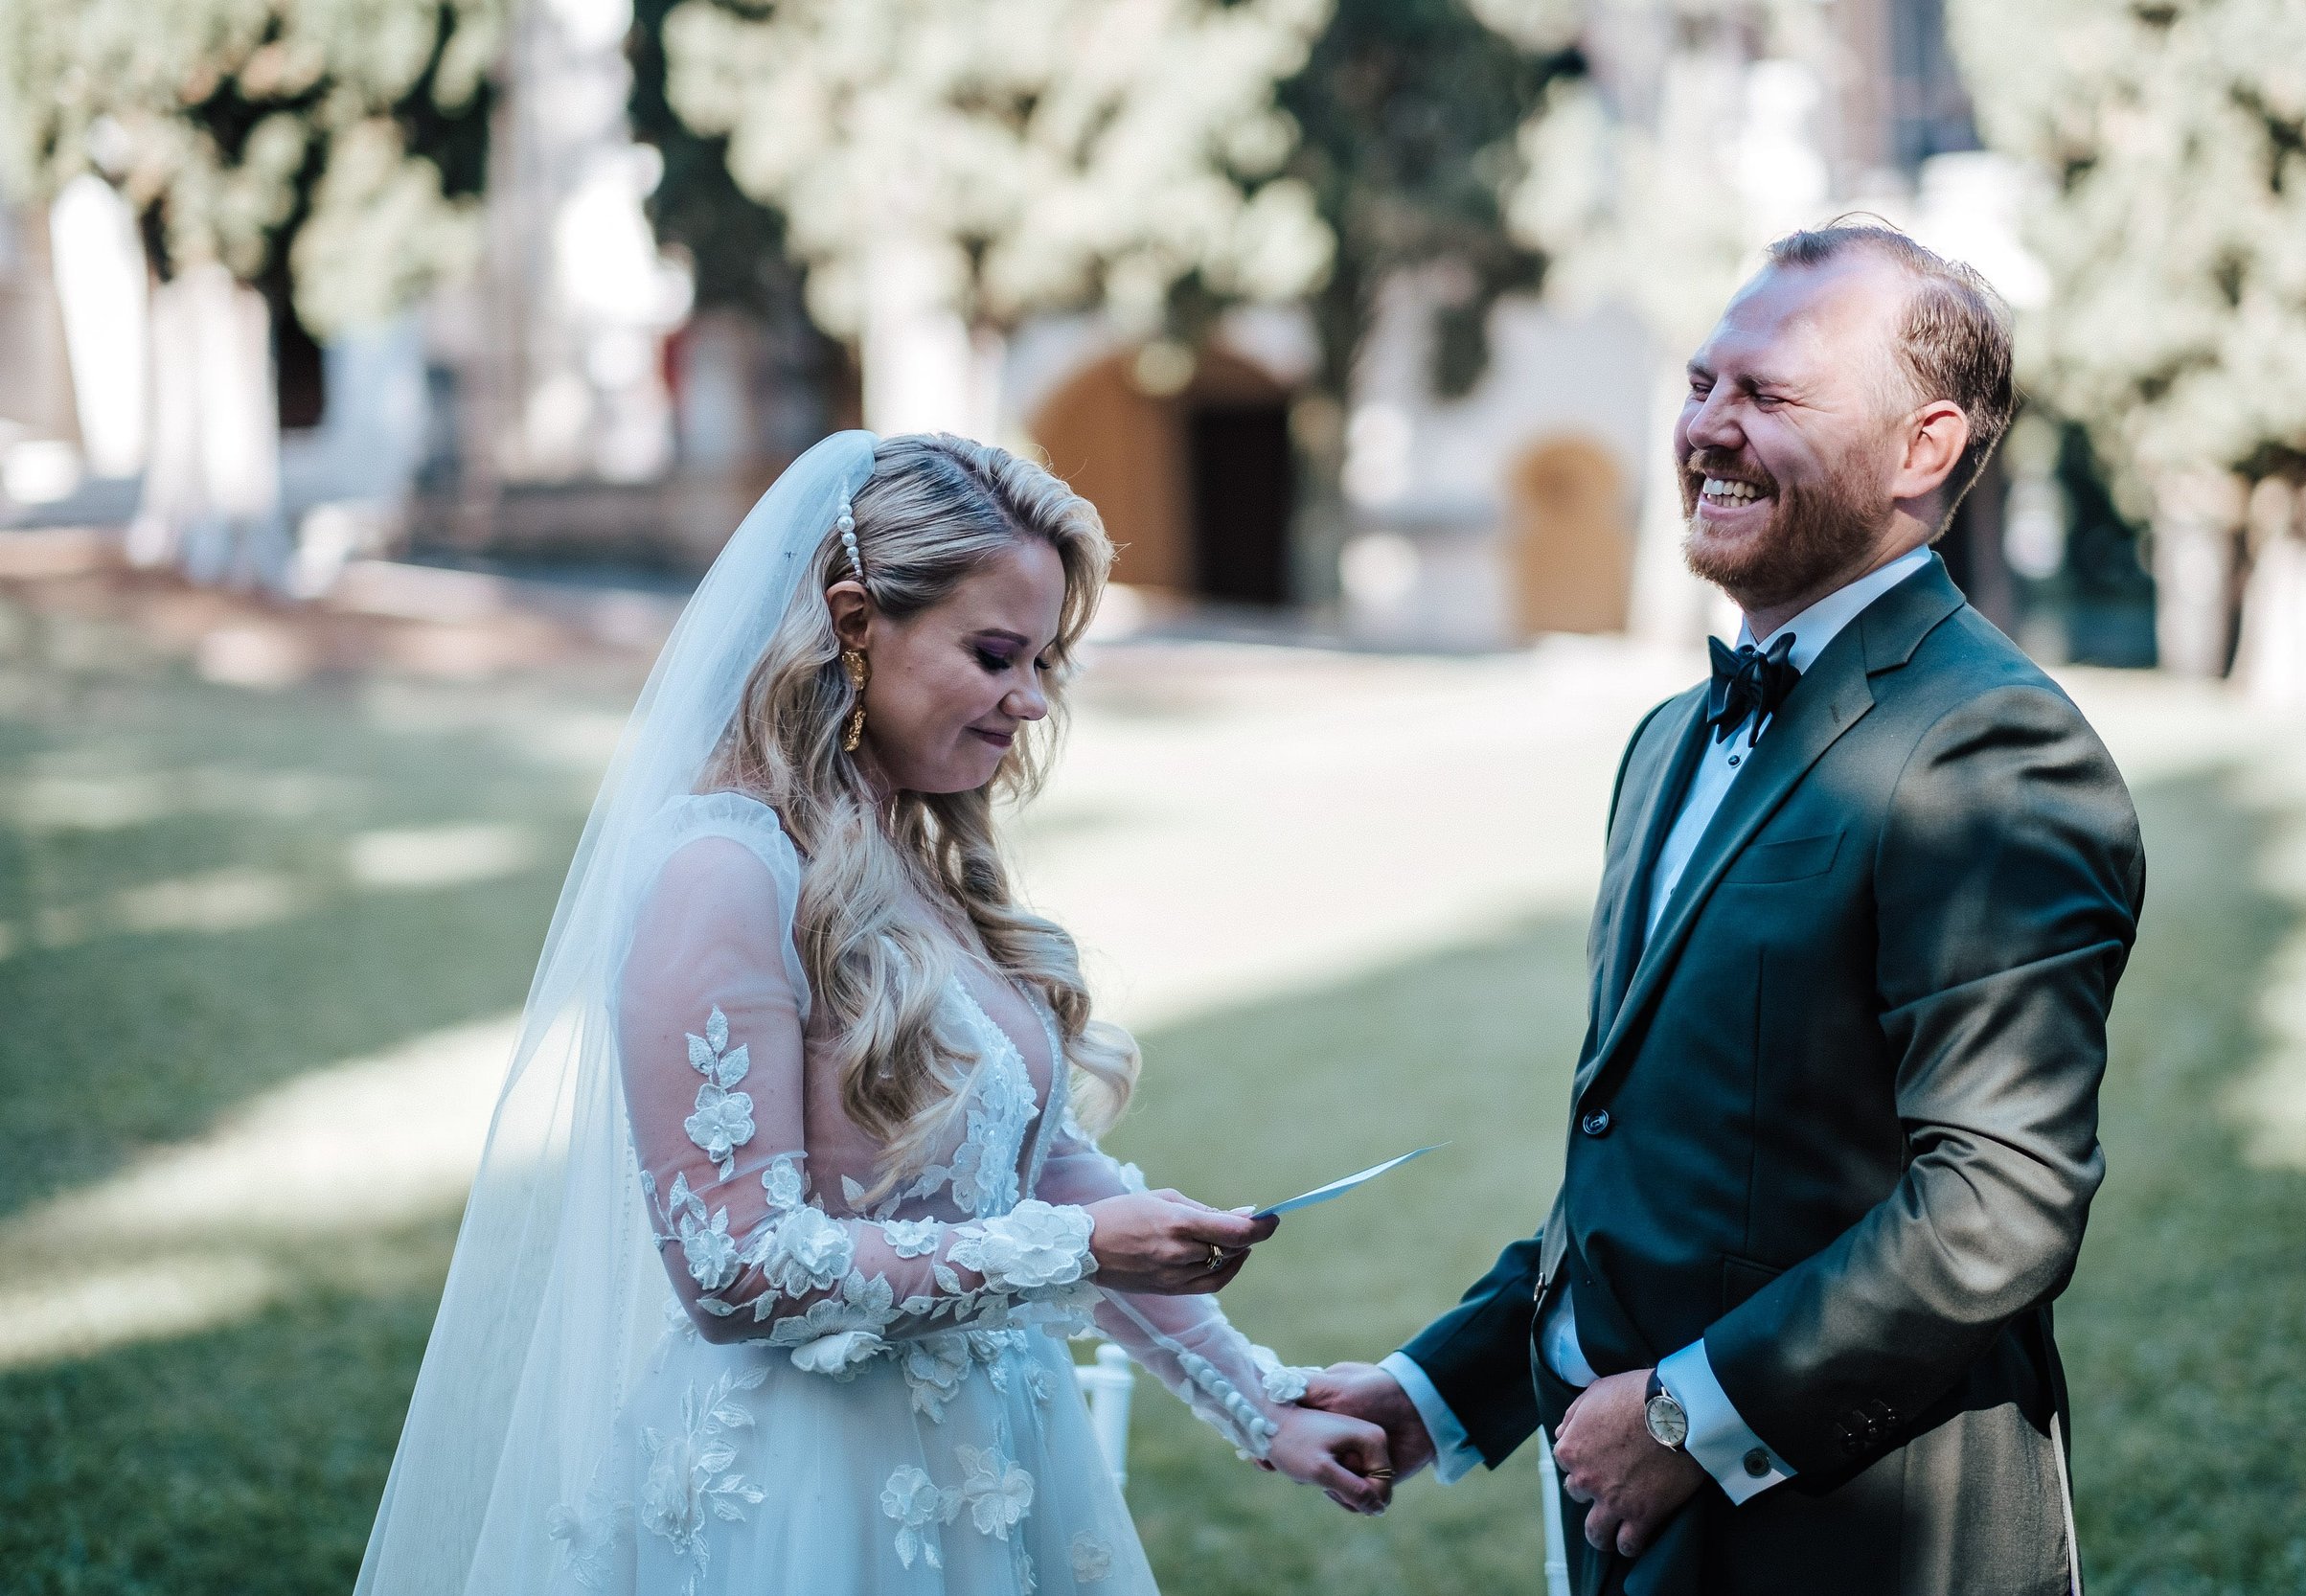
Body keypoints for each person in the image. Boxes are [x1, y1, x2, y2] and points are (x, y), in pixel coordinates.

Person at [355, 432, 1389, 1596]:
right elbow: (736, 1266)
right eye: (996, 654)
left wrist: (1260, 1401)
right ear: (854, 620)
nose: (1030, 700)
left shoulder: (905, 845)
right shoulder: (726, 869)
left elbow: (1029, 1168)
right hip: (812, 1495)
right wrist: (1081, 1250)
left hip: (995, 1469)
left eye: (1045, 659)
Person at [1302, 223, 2146, 1594]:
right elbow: (1661, 1158)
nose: (1709, 428)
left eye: (1770, 396)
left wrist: (1696, 1413)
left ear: (1924, 448)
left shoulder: (1992, 748)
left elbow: (2002, 1195)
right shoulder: (1667, 741)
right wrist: (1439, 1385)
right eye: (1702, 384)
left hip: (1853, 1530)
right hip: (1631, 1524)